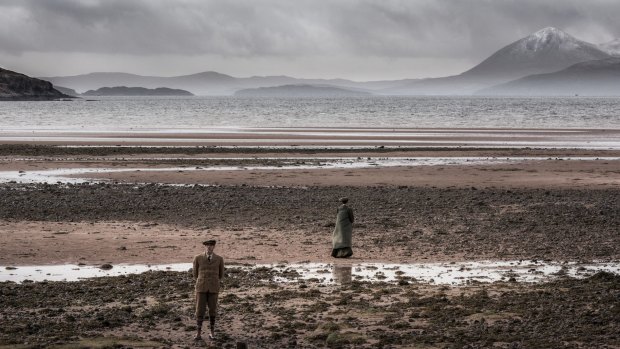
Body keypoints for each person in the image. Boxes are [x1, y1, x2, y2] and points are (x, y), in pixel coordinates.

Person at [193, 239, 225, 340]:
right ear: (205, 246)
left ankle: (212, 332)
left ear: (214, 246)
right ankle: (198, 333)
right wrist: (203, 281)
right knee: (199, 310)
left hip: (214, 287)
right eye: (207, 245)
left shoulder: (219, 259)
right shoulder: (198, 258)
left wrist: (212, 281)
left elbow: (221, 275)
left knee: (213, 310)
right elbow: (195, 274)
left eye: (211, 245)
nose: (209, 247)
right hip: (201, 287)